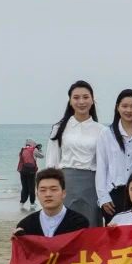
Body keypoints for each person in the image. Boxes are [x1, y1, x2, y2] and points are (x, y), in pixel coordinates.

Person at [46, 80, 104, 227]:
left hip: (92, 184)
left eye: (86, 97)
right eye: (76, 97)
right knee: (65, 226)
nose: (81, 102)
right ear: (70, 101)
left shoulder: (102, 130)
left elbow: (104, 164)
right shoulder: (59, 128)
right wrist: (51, 187)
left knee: (90, 225)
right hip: (66, 182)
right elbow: (52, 161)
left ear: (92, 100)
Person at [94, 89, 132, 225]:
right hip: (114, 195)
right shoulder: (106, 134)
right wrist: (103, 197)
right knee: (115, 236)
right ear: (117, 107)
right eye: (124, 106)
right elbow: (101, 166)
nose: (129, 110)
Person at [16, 139, 43, 210]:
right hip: (31, 172)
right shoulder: (34, 150)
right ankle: (32, 203)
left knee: (24, 187)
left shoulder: (22, 150)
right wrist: (39, 149)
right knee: (31, 187)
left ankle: (22, 202)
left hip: (22, 170)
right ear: (33, 144)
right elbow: (42, 156)